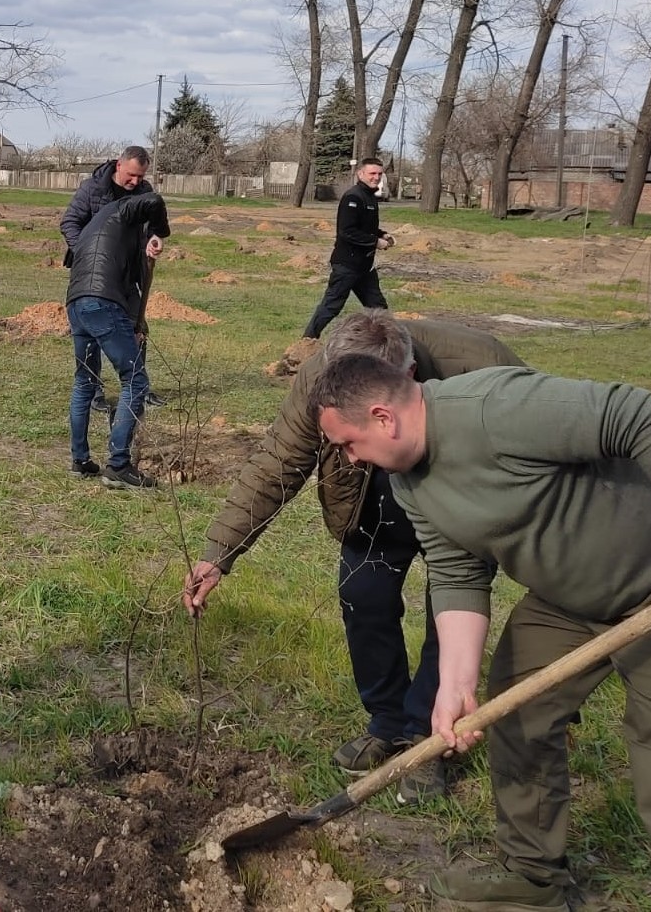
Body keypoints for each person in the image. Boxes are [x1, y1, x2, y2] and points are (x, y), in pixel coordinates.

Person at [309, 356, 651, 912]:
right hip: (570, 598)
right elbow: (456, 571)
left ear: (383, 418)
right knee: (516, 714)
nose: (348, 459)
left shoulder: (494, 409)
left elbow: (644, 416)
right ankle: (534, 877)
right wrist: (454, 683)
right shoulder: (408, 485)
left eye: (348, 444)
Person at [181, 310, 523, 803]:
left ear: (405, 378)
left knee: (449, 617)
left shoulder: (479, 366)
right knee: (364, 597)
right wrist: (218, 554)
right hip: (373, 500)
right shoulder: (322, 374)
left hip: (459, 502)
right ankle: (386, 721)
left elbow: (538, 449)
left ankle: (428, 738)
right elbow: (277, 464)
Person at [65, 189, 170, 489]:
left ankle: (80, 461)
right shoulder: (124, 208)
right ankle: (119, 464)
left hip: (77, 304)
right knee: (135, 380)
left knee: (85, 381)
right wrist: (160, 231)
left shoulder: (95, 227)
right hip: (101, 303)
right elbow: (155, 201)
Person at [60, 145, 166, 412]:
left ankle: (137, 386)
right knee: (94, 331)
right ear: (119, 165)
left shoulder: (144, 192)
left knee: (137, 326)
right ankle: (94, 390)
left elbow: (154, 225)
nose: (135, 182)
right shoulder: (93, 189)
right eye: (131, 175)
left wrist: (153, 239)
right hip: (96, 277)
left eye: (140, 177)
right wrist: (87, 253)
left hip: (129, 273)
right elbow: (70, 222)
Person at [304, 157, 392, 339]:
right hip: (347, 265)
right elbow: (347, 231)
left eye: (379, 174)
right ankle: (307, 341)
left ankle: (387, 345)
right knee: (332, 305)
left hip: (365, 267)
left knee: (379, 308)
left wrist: (381, 233)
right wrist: (375, 242)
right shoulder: (353, 197)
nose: (376, 177)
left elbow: (364, 227)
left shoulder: (369, 196)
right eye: (372, 173)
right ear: (360, 174)